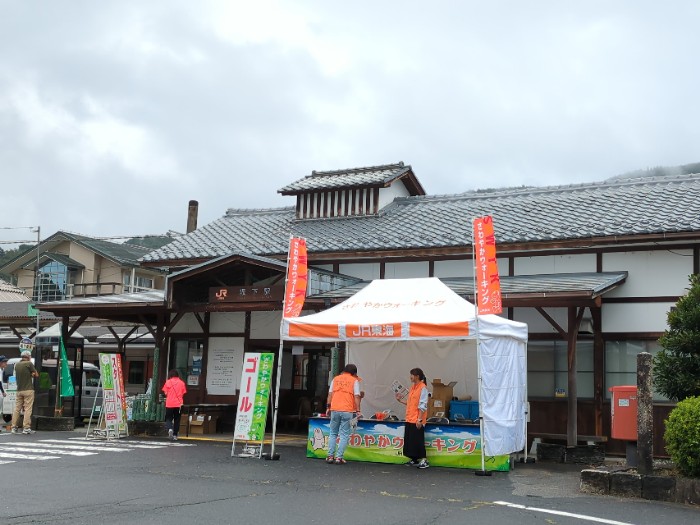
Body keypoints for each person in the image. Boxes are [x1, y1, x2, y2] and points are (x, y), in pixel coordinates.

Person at [325, 363, 361, 465]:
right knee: (344, 435)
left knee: (333, 433)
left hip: (334, 409)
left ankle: (330, 456)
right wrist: (358, 410)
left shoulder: (335, 379)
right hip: (347, 410)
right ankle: (338, 458)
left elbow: (330, 394)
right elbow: (357, 396)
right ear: (354, 373)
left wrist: (328, 407)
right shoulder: (354, 381)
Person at [395, 367, 429, 469]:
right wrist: (400, 401)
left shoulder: (423, 388)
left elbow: (423, 405)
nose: (410, 377)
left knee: (418, 440)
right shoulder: (413, 387)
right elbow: (411, 403)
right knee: (410, 440)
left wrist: (419, 419)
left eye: (412, 375)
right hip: (410, 418)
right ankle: (414, 459)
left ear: (417, 376)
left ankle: (424, 459)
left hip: (417, 419)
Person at [11, 350, 39, 435]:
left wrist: (30, 374)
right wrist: (33, 374)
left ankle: (14, 427)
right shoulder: (29, 364)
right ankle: (26, 428)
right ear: (28, 357)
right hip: (28, 390)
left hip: (19, 390)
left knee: (17, 409)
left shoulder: (17, 365)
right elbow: (36, 374)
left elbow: (23, 374)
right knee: (27, 409)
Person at [162, 369, 187, 441]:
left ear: (170, 375)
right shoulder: (182, 383)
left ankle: (170, 429)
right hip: (179, 404)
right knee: (177, 419)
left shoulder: (168, 382)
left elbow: (165, 393)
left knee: (168, 418)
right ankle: (175, 435)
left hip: (169, 403)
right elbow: (183, 393)